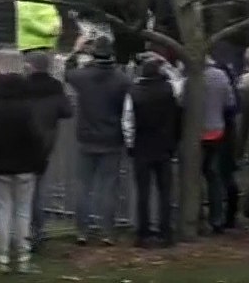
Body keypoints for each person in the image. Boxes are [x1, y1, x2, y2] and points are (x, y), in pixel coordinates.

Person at [64, 35, 130, 246]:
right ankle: (107, 232)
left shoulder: (83, 77)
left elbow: (67, 72)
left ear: (93, 54)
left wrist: (76, 49)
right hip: (112, 137)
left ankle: (81, 230)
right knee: (108, 187)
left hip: (87, 137)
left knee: (84, 186)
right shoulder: (121, 79)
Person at [0, 74, 44, 274]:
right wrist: (39, 163)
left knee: (2, 211)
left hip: (0, 168)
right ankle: (24, 258)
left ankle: (3, 258)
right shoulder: (27, 109)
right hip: (26, 168)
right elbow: (36, 138)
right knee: (23, 212)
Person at [123, 57, 180, 248]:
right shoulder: (169, 90)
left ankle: (143, 232)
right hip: (164, 145)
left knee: (143, 191)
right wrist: (168, 65)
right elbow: (179, 85)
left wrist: (130, 145)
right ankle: (166, 232)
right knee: (165, 192)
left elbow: (128, 121)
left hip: (142, 146)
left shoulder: (134, 93)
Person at [23, 52, 71, 250]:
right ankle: (38, 230)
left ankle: (23, 231)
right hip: (46, 141)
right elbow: (67, 111)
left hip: (24, 139)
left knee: (20, 191)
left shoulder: (22, 86)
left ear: (31, 66)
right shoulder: (56, 88)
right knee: (38, 189)